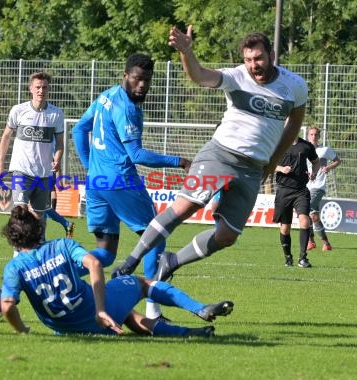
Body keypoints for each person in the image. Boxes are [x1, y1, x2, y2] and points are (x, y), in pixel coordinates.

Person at [112, 27, 309, 282]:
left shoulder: (294, 86)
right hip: (219, 156)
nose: (253, 65)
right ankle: (131, 260)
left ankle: (172, 261)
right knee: (186, 206)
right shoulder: (237, 76)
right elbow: (199, 75)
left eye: (258, 58)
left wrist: (271, 164)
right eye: (248, 59)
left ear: (271, 54)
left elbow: (294, 124)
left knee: (228, 235)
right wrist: (186, 51)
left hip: (252, 169)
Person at [72, 53, 191, 320]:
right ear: (125, 76)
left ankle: (61, 274)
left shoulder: (106, 95)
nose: (142, 86)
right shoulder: (127, 108)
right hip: (121, 181)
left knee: (105, 251)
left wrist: (91, 168)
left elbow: (79, 130)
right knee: (156, 236)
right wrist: (180, 161)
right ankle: (153, 311)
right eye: (137, 79)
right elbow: (136, 155)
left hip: (97, 183)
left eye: (147, 80)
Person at [0, 205, 234, 337]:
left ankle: (190, 333)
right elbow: (93, 263)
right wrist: (100, 310)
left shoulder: (14, 267)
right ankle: (200, 308)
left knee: (129, 315)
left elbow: (8, 305)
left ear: (12, 239)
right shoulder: (62, 245)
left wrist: (22, 330)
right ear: (38, 230)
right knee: (142, 284)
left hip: (66, 330)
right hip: (93, 313)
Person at [0, 71, 64, 247]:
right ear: (31, 89)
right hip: (22, 170)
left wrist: (57, 159)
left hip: (44, 173)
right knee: (20, 211)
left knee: (39, 216)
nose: (41, 90)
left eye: (44, 87)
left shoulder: (56, 114)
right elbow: (6, 137)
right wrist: (0, 165)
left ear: (49, 89)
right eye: (38, 87)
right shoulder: (19, 110)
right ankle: (19, 249)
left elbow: (61, 144)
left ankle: (38, 248)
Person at [273, 137, 319, 268]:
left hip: (301, 191)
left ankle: (303, 258)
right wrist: (281, 169)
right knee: (285, 228)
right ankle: (288, 257)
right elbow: (268, 163)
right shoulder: (278, 143)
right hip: (283, 191)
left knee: (305, 221)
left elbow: (316, 162)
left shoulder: (306, 145)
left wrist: (314, 173)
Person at [306, 126, 341, 251]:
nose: (313, 137)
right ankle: (324, 243)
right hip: (306, 186)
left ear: (319, 136)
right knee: (312, 215)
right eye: (311, 134)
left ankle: (311, 241)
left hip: (318, 186)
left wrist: (328, 167)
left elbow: (337, 160)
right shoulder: (304, 150)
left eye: (316, 134)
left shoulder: (324, 150)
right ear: (307, 136)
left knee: (307, 208)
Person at [45, 169, 76, 238]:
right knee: (42, 207)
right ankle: (66, 224)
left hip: (43, 176)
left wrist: (59, 181)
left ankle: (66, 223)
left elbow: (56, 163)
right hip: (41, 175)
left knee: (40, 206)